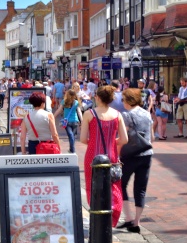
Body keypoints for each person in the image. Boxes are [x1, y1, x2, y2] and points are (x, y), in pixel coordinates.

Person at [81, 85, 128, 226]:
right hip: (111, 155)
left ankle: (97, 214)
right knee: (113, 185)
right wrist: (112, 141)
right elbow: (124, 139)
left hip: (93, 155)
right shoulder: (117, 115)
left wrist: (94, 142)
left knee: (92, 185)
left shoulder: (89, 114)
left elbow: (83, 139)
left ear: (98, 98)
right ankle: (112, 213)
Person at [118, 89, 153, 233]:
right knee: (141, 188)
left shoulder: (126, 115)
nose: (122, 103)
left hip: (130, 154)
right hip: (146, 153)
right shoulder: (146, 113)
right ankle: (136, 222)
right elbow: (151, 136)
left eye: (123, 100)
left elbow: (123, 137)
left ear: (129, 100)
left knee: (121, 184)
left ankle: (128, 218)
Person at [60, 88, 82, 153]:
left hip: (67, 122)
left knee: (70, 135)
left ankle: (72, 150)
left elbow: (59, 110)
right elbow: (79, 112)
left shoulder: (64, 101)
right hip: (75, 121)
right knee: (72, 136)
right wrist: (82, 121)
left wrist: (53, 116)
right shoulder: (76, 102)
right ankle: (72, 149)